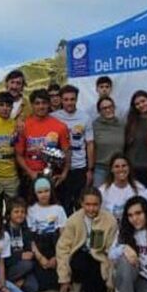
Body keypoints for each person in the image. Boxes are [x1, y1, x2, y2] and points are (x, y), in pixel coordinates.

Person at [56, 187, 118, 292]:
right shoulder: (73, 220)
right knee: (80, 261)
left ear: (100, 204)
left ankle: (92, 282)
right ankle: (77, 281)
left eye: (95, 204)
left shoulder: (110, 221)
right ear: (81, 203)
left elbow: (112, 251)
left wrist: (111, 281)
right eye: (87, 204)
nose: (91, 208)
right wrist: (64, 278)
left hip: (99, 258)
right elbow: (62, 248)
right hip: (80, 256)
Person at [51, 84, 94, 213]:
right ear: (61, 100)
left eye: (72, 99)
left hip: (80, 168)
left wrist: (90, 169)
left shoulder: (85, 117)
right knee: (64, 207)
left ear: (76, 99)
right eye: (66, 99)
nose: (69, 102)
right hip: (61, 168)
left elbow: (90, 144)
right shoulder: (54, 117)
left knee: (81, 206)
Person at [15, 89, 70, 190]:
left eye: (44, 103)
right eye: (37, 103)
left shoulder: (60, 126)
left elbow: (66, 152)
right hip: (30, 176)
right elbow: (18, 154)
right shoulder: (24, 126)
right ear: (32, 105)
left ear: (49, 104)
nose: (41, 106)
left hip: (53, 177)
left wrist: (64, 174)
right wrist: (30, 172)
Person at [27, 177, 67, 291]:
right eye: (40, 192)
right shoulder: (31, 210)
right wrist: (40, 258)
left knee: (57, 280)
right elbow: (31, 238)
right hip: (39, 247)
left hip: (55, 244)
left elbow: (63, 235)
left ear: (51, 191)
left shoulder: (58, 209)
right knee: (42, 284)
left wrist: (56, 256)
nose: (43, 195)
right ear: (35, 194)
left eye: (46, 191)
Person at [4, 198, 39, 292]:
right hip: (10, 265)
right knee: (27, 264)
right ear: (9, 214)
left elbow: (29, 250)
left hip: (23, 267)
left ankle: (17, 282)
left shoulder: (26, 230)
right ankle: (9, 282)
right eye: (16, 212)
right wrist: (20, 255)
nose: (20, 214)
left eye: (22, 212)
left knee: (33, 288)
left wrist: (29, 255)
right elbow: (4, 257)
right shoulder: (4, 231)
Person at [124, 90, 147, 187]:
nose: (141, 105)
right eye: (137, 104)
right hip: (134, 168)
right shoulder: (131, 122)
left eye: (143, 101)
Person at [99, 153, 142, 222]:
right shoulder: (103, 191)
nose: (121, 169)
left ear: (129, 168)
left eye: (124, 166)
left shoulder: (139, 189)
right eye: (117, 166)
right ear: (111, 169)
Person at [92, 96, 125, 187]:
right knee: (98, 196)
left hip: (119, 168)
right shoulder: (94, 126)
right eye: (104, 108)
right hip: (101, 168)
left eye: (110, 107)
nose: (108, 110)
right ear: (99, 111)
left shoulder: (121, 124)